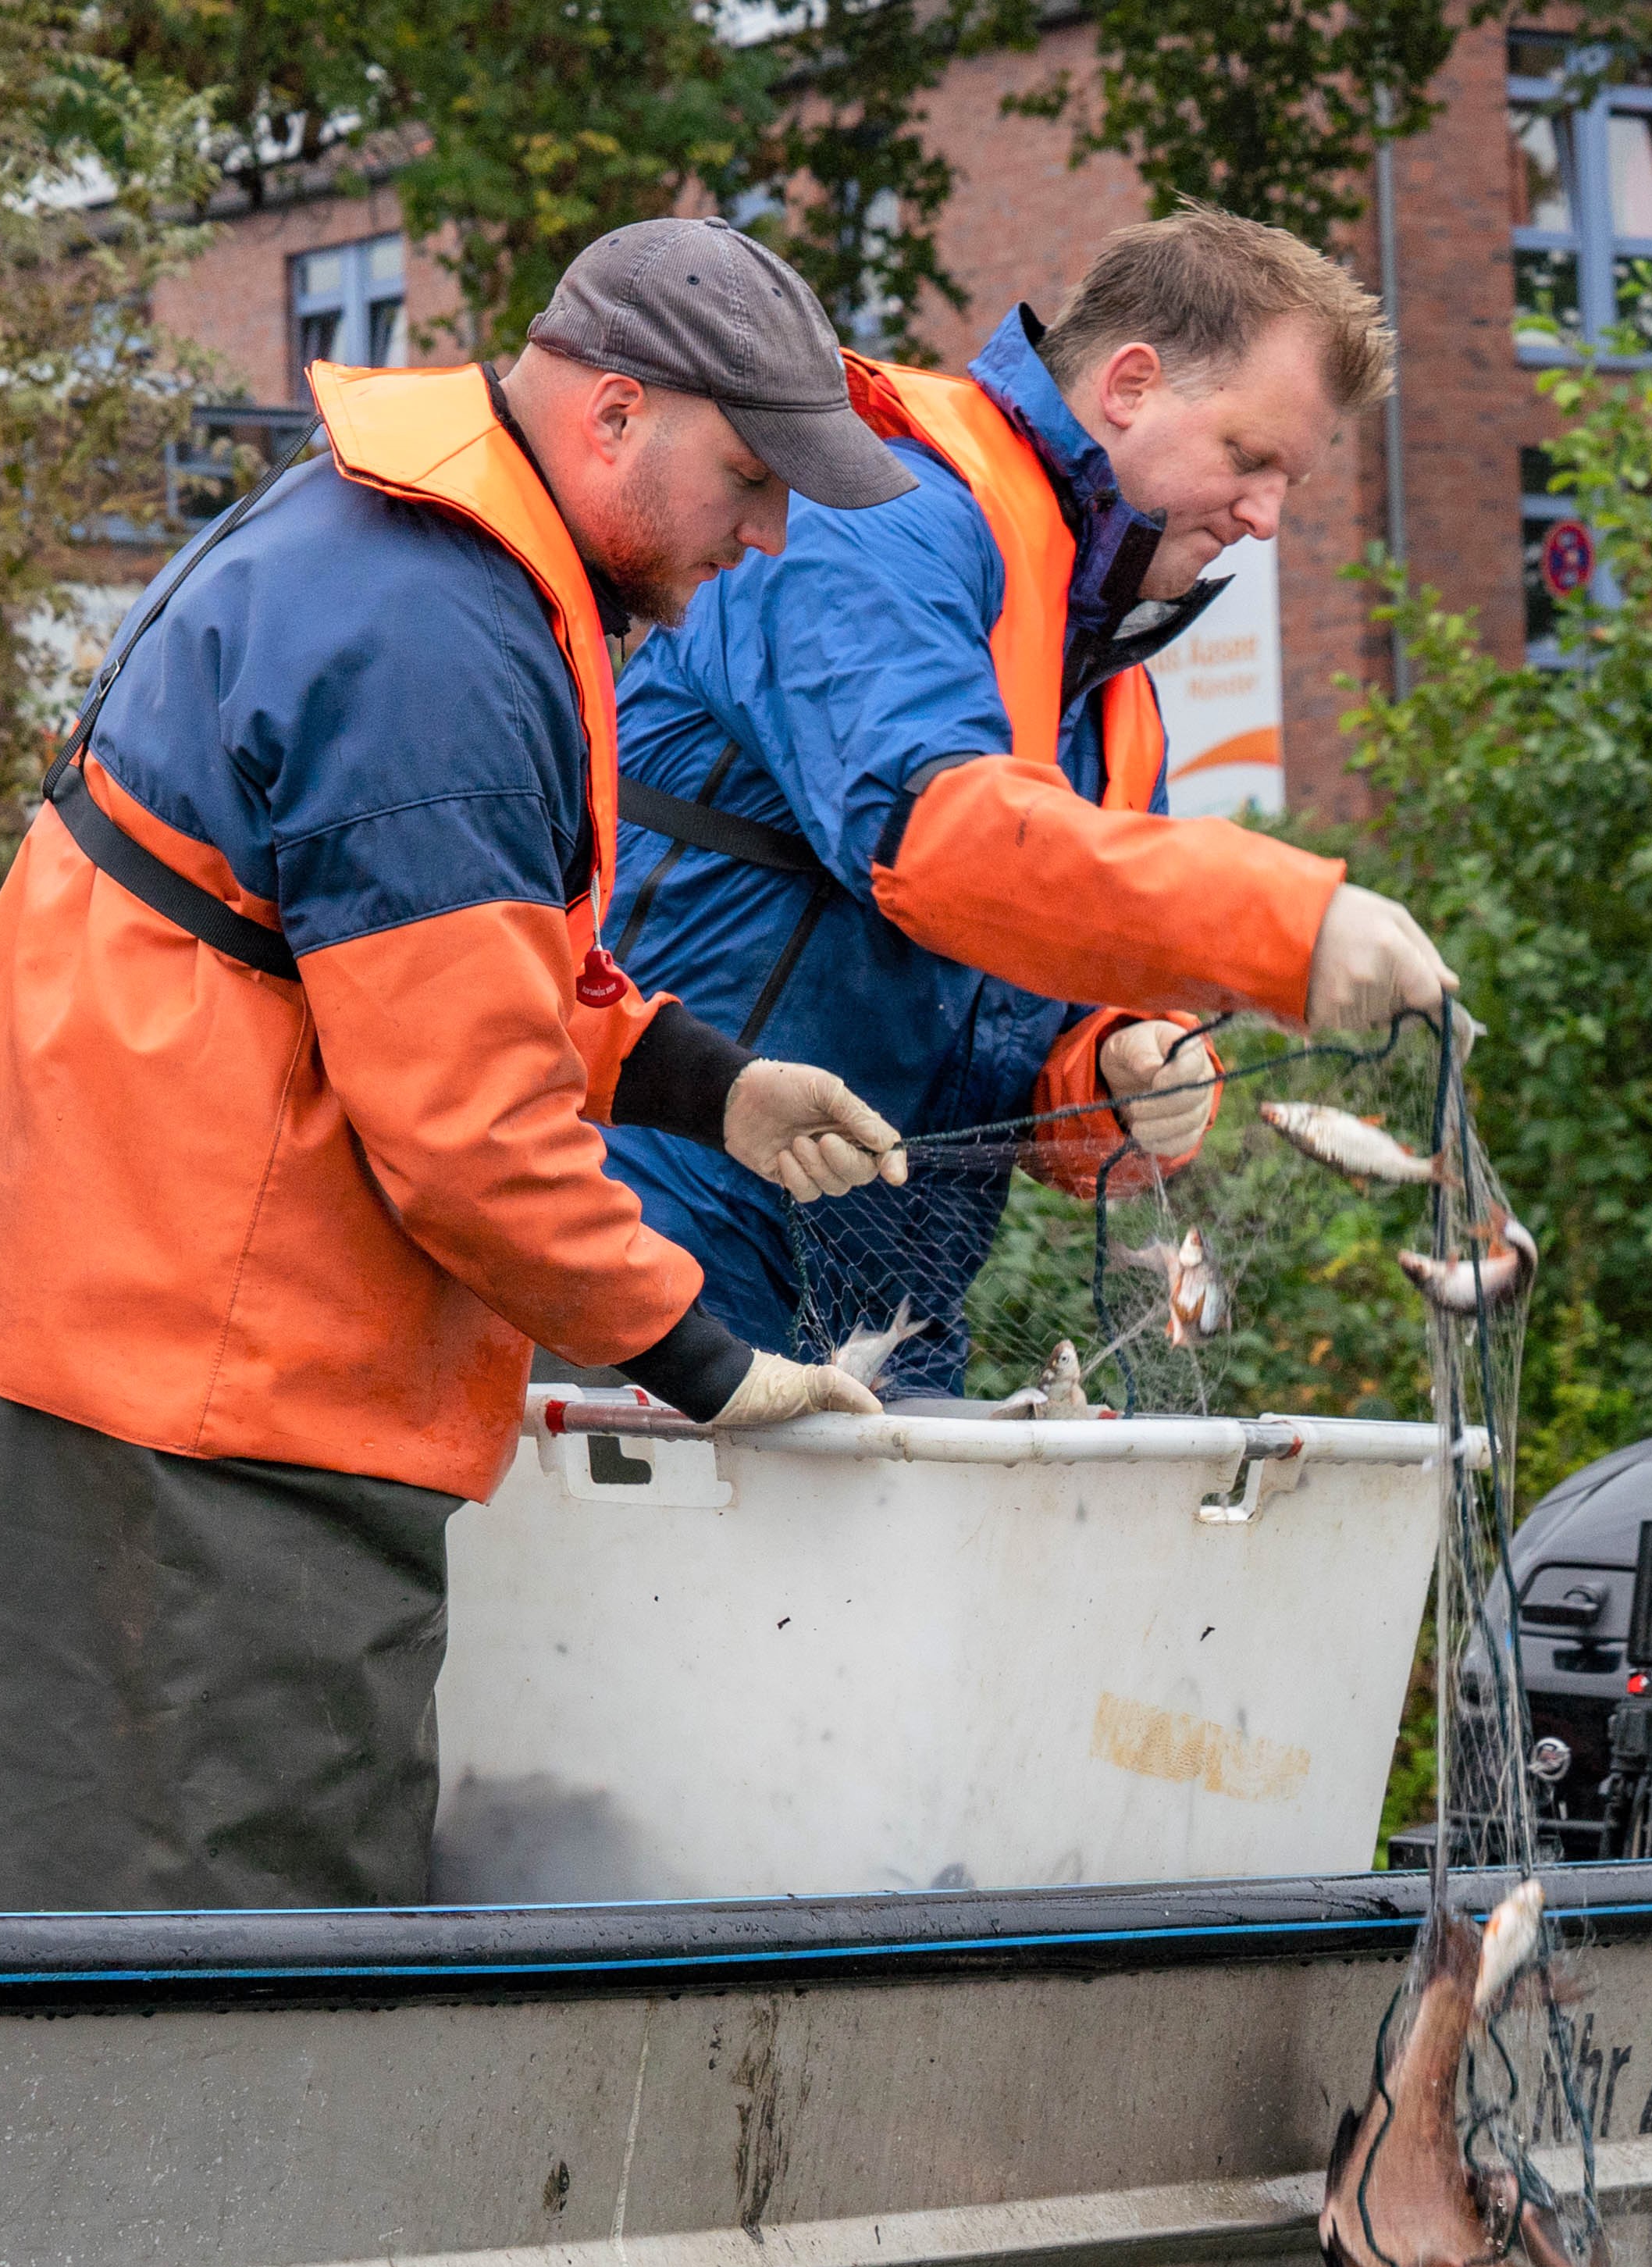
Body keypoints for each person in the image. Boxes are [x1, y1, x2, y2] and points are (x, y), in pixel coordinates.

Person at [0, 218, 915, 1910]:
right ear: (615, 413)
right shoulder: (437, 636)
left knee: (126, 1927)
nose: (766, 534)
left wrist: (708, 1085)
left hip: (110, 1327)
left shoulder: (409, 550)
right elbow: (469, 1134)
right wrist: (706, 1359)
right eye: (750, 479)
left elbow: (408, 969)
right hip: (190, 1395)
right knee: (248, 1949)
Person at [594, 205, 1459, 1396]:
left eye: (1287, 484)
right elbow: (939, 845)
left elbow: (1046, 1030)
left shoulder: (1106, 684)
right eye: (1251, 459)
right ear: (1131, 385)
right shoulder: (879, 519)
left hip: (888, 1311)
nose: (1266, 518)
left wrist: (1119, 1073)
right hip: (650, 1259)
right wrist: (1288, 927)